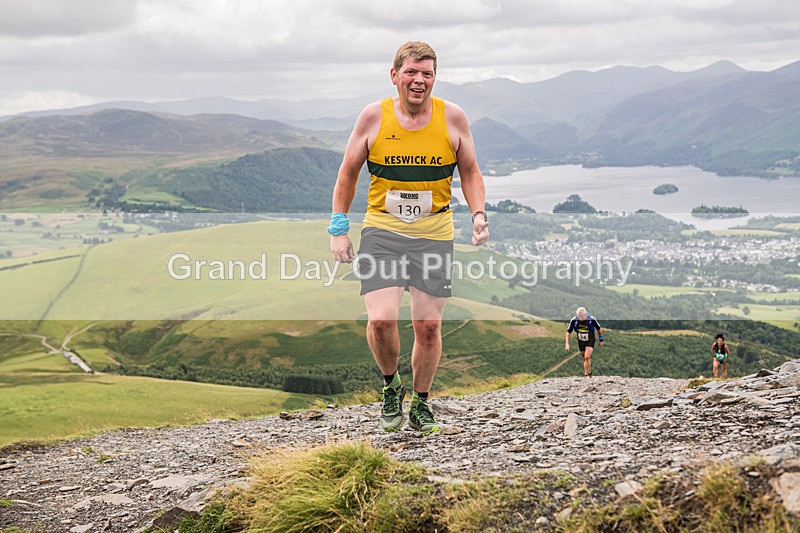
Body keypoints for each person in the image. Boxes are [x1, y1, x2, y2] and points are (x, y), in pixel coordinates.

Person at [328, 41, 489, 435]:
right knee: (381, 320)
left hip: (434, 233)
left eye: (428, 73)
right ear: (395, 75)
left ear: (435, 77)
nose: (420, 81)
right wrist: (338, 228)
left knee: (428, 327)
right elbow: (348, 172)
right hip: (383, 229)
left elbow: (469, 170)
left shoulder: (452, 118)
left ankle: (419, 402)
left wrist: (479, 214)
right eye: (412, 73)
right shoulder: (373, 117)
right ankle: (390, 386)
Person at [565, 307, 603, 377]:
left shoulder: (591, 319)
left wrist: (601, 339)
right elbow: (568, 332)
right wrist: (567, 343)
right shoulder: (574, 320)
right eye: (579, 317)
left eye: (582, 317)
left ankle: (586, 375)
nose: (581, 318)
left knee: (587, 357)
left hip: (590, 339)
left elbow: (599, 328)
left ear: (585, 314)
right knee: (584, 358)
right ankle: (589, 371)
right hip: (581, 340)